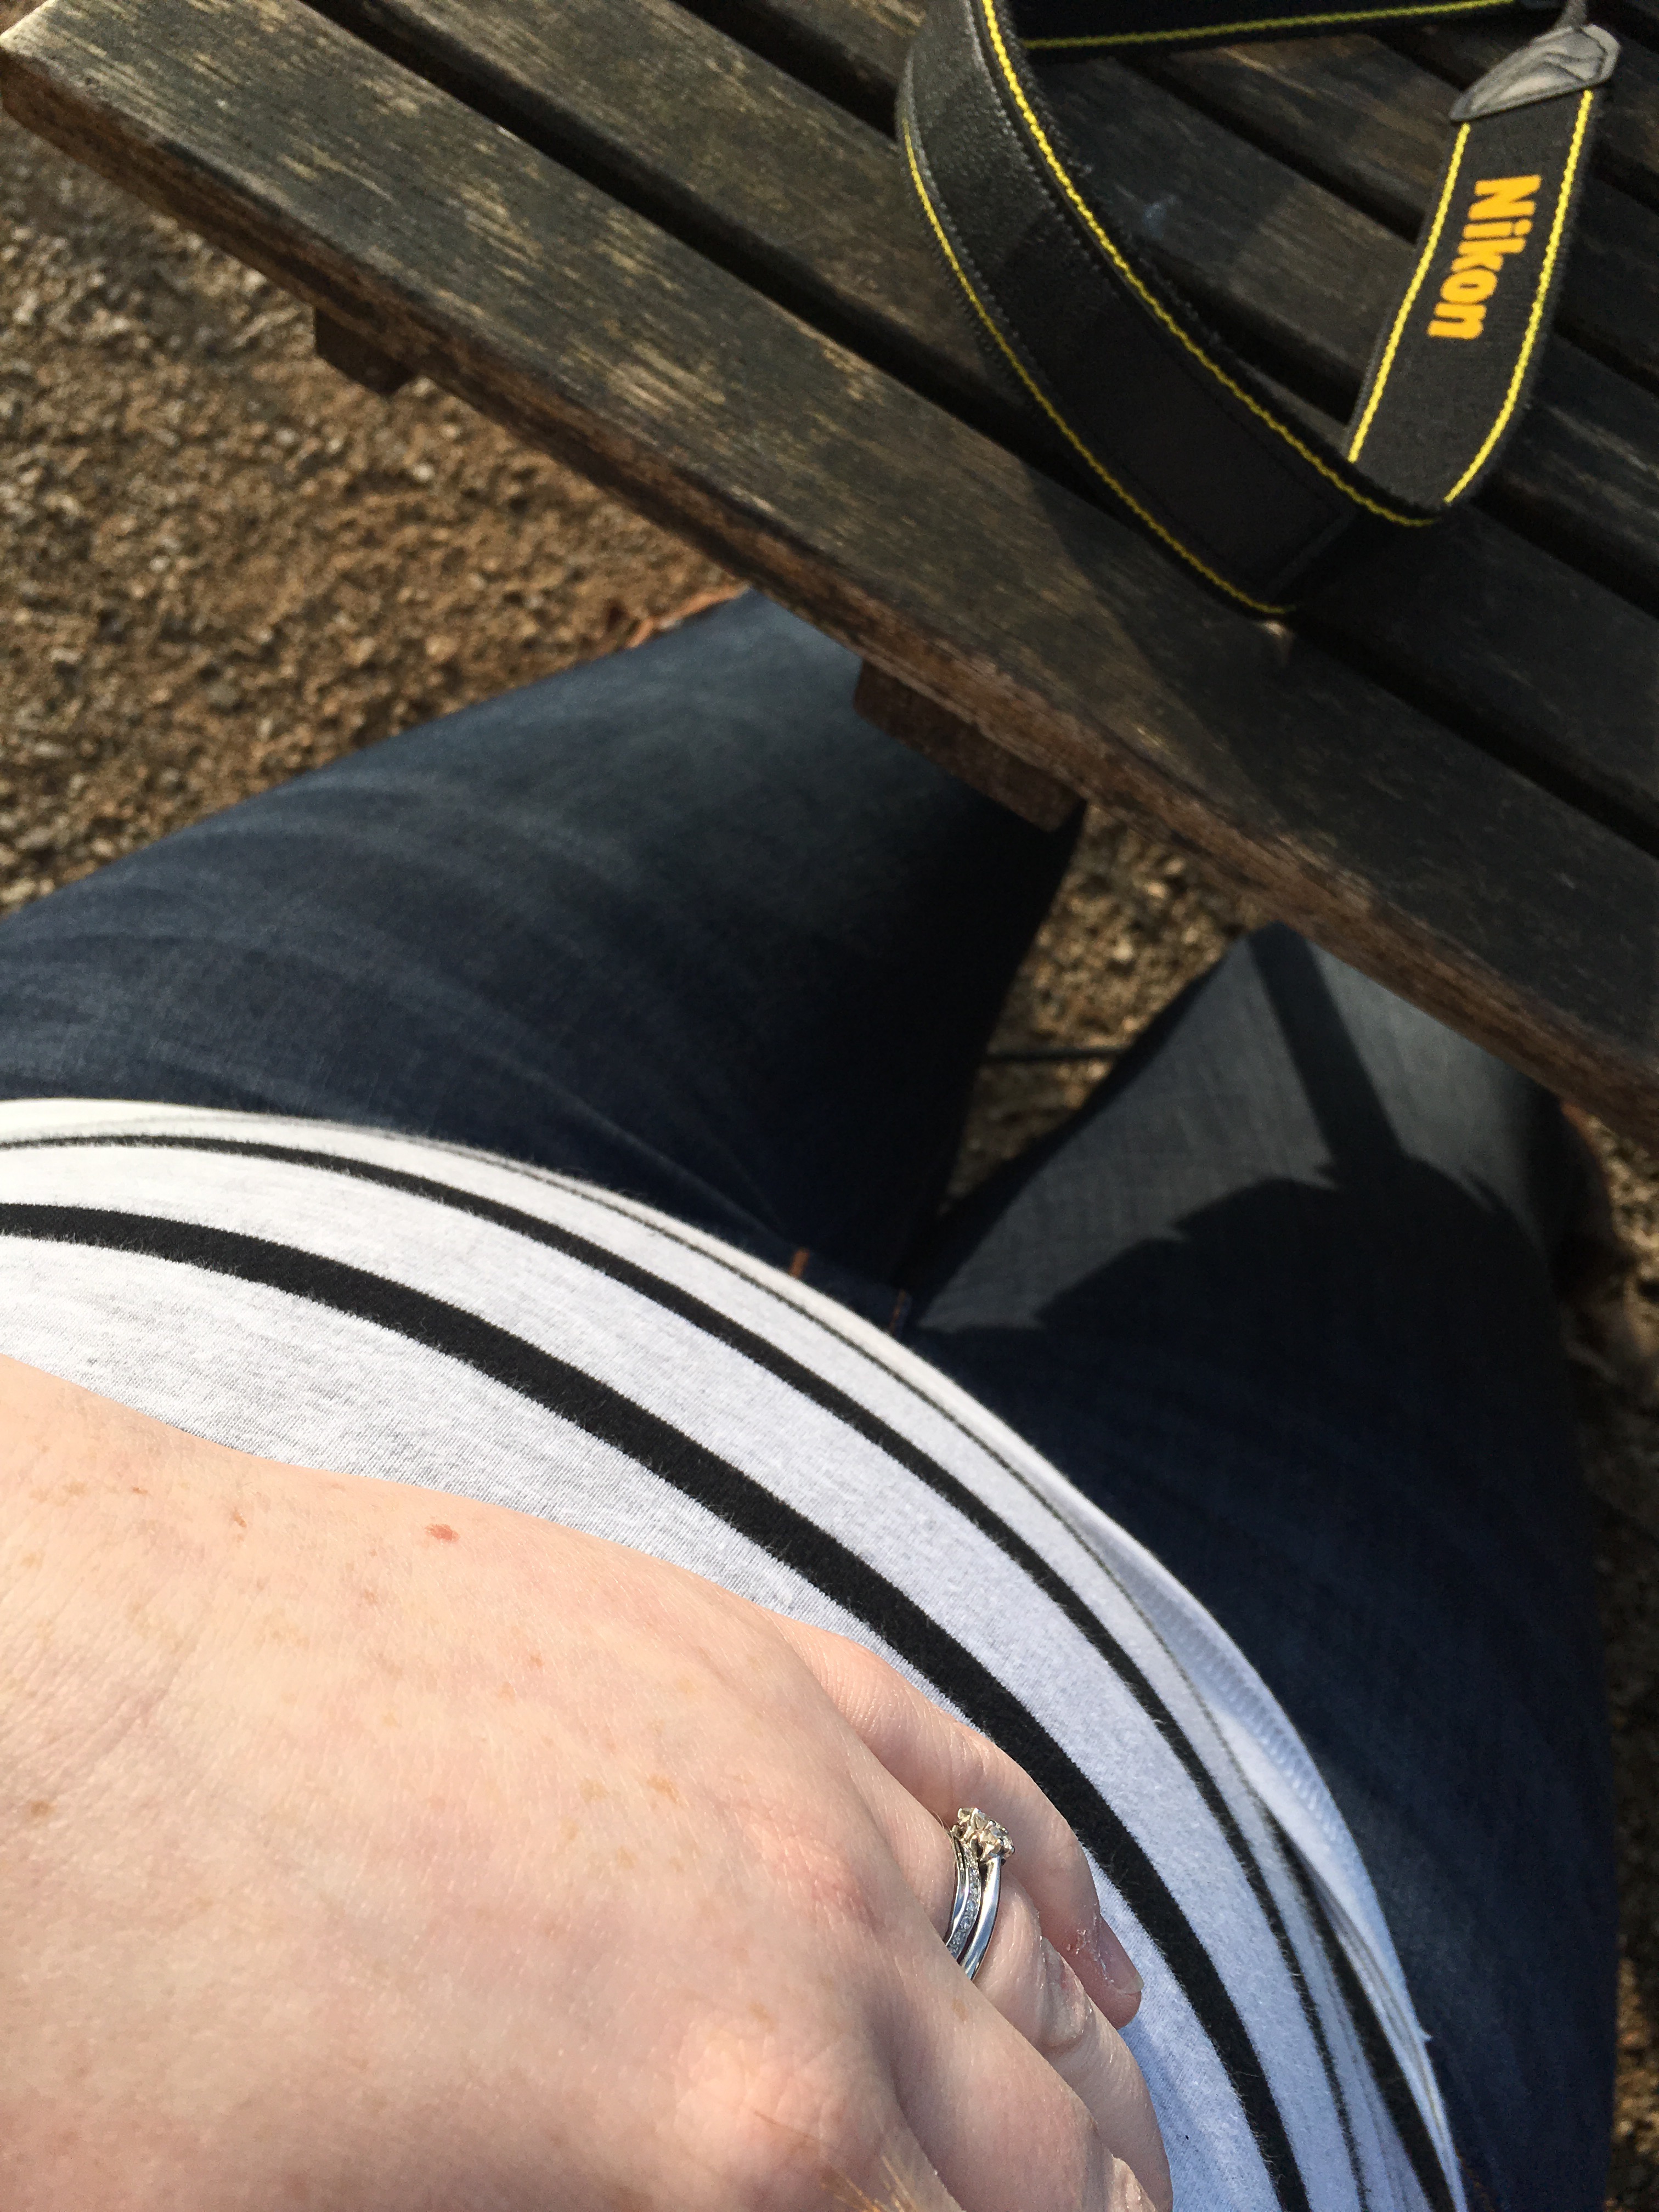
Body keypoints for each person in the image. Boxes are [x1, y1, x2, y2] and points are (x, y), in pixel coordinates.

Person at [0, 592, 1615, 2212]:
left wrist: (112, 1684)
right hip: (1252, 1865)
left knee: (964, 645)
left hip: (140, 1186)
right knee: (1409, 1014)